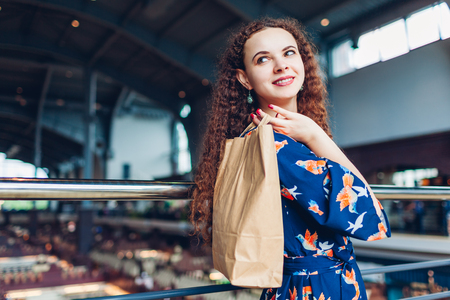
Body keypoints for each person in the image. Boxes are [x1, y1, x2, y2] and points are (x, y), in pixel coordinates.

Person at [190, 17, 391, 300]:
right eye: (262, 59)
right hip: (318, 289)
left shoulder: (253, 138)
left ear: (301, 60)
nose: (281, 65)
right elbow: (373, 219)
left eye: (288, 52)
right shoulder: (279, 148)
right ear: (244, 77)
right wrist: (316, 136)